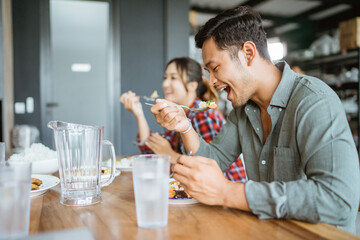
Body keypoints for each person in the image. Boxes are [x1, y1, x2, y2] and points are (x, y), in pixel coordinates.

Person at [150, 7, 360, 233]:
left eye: (216, 68)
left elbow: (338, 200)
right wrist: (185, 127)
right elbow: (215, 159)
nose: (211, 82)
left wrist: (228, 192)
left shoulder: (314, 101)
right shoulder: (242, 110)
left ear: (248, 53)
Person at [120, 57, 247, 183]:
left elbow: (211, 167)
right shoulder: (181, 114)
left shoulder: (204, 116)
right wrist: (138, 113)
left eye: (173, 78)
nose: (165, 84)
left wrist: (170, 155)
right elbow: (152, 149)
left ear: (192, 85)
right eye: (165, 78)